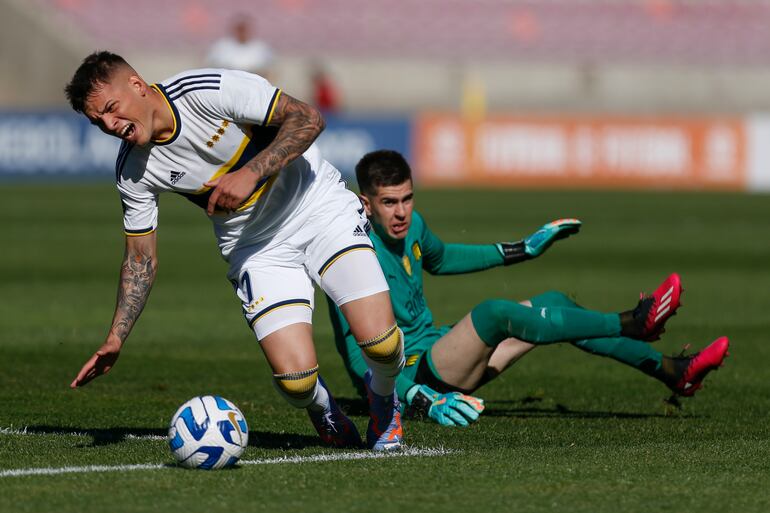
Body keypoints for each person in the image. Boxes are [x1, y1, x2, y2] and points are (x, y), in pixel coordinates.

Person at [64, 52, 406, 451]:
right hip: (256, 248)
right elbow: (140, 258)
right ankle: (324, 407)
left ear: (138, 86)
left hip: (319, 208)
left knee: (380, 343)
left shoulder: (206, 91)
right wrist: (116, 337)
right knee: (297, 384)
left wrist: (251, 172)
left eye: (110, 109)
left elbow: (309, 118)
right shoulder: (132, 171)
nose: (110, 125)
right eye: (97, 122)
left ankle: (383, 398)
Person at [327, 149, 730, 427]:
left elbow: (442, 258)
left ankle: (675, 372)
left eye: (408, 199)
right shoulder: (350, 256)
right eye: (389, 203)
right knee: (491, 314)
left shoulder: (413, 225)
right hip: (412, 377)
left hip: (441, 350)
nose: (401, 212)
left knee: (553, 302)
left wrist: (523, 249)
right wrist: (417, 396)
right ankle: (632, 322)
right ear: (366, 204)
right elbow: (359, 362)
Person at [206, 18, 274, 80]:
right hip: (227, 82)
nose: (241, 33)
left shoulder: (260, 47)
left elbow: (270, 69)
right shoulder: (221, 46)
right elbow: (210, 65)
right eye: (239, 30)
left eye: (244, 30)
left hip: (253, 82)